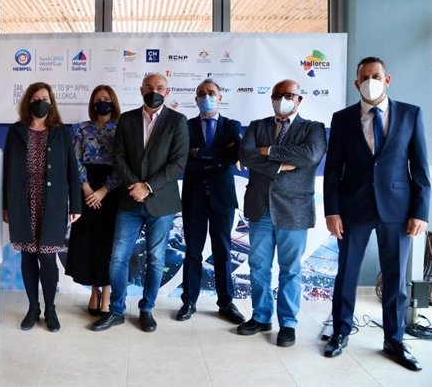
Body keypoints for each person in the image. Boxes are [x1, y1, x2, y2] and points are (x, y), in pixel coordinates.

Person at [323, 57, 430, 371]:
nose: (370, 80)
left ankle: (394, 340)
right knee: (347, 274)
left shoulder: (411, 114)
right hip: (353, 208)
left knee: (395, 280)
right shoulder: (342, 119)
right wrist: (333, 212)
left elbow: (421, 168)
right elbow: (332, 171)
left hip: (398, 210)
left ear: (387, 79)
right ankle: (340, 332)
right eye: (364, 77)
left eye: (376, 75)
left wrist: (421, 211)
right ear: (357, 83)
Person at [91, 73, 188, 333]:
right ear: (141, 90)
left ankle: (147, 309)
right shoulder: (127, 119)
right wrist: (135, 185)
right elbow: (118, 156)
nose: (154, 91)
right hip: (129, 200)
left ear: (167, 92)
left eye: (159, 87)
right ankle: (117, 310)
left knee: (156, 259)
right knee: (118, 258)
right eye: (149, 87)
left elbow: (178, 162)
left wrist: (148, 186)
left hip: (161, 202)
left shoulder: (178, 121)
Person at [237, 79, 326, 347]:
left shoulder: (314, 128)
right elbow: (247, 156)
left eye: (288, 95)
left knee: (290, 270)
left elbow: (310, 156)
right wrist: (279, 166)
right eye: (277, 95)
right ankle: (261, 316)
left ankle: (288, 322)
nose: (282, 99)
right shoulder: (257, 126)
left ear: (299, 99)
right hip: (260, 207)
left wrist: (271, 151)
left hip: (294, 210)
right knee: (259, 266)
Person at [2, 82, 81, 332]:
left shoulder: (60, 133)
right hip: (22, 203)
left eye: (44, 98)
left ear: (51, 102)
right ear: (28, 102)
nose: (40, 102)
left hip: (53, 204)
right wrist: (5, 205)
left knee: (47, 258)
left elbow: (72, 170)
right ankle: (33, 308)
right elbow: (6, 171)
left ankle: (50, 309)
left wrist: (75, 204)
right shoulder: (16, 131)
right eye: (35, 98)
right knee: (28, 257)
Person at [176, 79, 245, 324]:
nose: (207, 97)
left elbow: (233, 155)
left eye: (212, 93)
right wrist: (216, 156)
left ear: (220, 97)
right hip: (194, 196)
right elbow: (183, 157)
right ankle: (189, 301)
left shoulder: (232, 126)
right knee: (193, 251)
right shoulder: (186, 126)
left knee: (223, 252)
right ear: (196, 99)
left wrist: (200, 153)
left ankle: (226, 302)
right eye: (202, 94)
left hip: (223, 198)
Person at [65, 85, 121, 316]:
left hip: (112, 190)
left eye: (106, 99)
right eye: (98, 99)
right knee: (88, 242)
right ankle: (94, 291)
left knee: (109, 244)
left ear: (113, 102)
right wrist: (88, 189)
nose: (102, 102)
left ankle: (107, 293)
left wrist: (104, 190)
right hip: (85, 188)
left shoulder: (122, 129)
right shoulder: (80, 128)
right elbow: (74, 159)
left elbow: (123, 163)